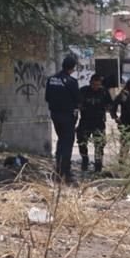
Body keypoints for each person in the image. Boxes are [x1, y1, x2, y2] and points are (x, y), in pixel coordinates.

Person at [46, 55, 81, 183]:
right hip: (67, 116)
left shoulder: (51, 79)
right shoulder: (71, 81)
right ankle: (64, 172)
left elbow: (47, 98)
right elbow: (78, 100)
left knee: (61, 142)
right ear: (72, 68)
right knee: (67, 143)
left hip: (55, 115)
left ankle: (58, 170)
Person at [77, 73, 113, 174]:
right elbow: (77, 103)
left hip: (98, 121)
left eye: (98, 85)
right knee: (82, 141)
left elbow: (110, 104)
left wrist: (109, 110)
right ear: (90, 83)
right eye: (94, 84)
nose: (96, 87)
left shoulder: (104, 92)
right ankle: (85, 160)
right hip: (85, 121)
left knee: (99, 144)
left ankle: (98, 165)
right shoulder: (83, 91)